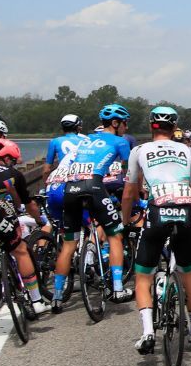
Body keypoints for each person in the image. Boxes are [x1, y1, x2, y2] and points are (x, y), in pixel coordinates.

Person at [122, 107, 191, 353]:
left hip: (157, 212)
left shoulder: (139, 150)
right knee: (188, 274)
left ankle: (148, 332)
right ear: (174, 127)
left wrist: (125, 222)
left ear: (151, 126)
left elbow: (129, 192)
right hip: (184, 212)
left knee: (143, 276)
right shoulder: (188, 151)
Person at [50, 104, 134, 311]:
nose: (125, 127)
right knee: (115, 236)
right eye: (124, 123)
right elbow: (128, 172)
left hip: (70, 188)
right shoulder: (120, 142)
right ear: (115, 123)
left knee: (69, 245)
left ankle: (57, 297)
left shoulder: (86, 139)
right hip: (94, 186)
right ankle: (117, 288)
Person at [0, 138, 47, 315]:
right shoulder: (12, 174)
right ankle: (36, 300)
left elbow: (11, 197)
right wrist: (39, 220)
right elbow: (28, 204)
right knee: (20, 249)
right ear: (8, 158)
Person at [43, 114, 88, 183]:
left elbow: (46, 170)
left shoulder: (55, 141)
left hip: (63, 179)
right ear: (77, 127)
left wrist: (46, 187)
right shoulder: (87, 140)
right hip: (83, 179)